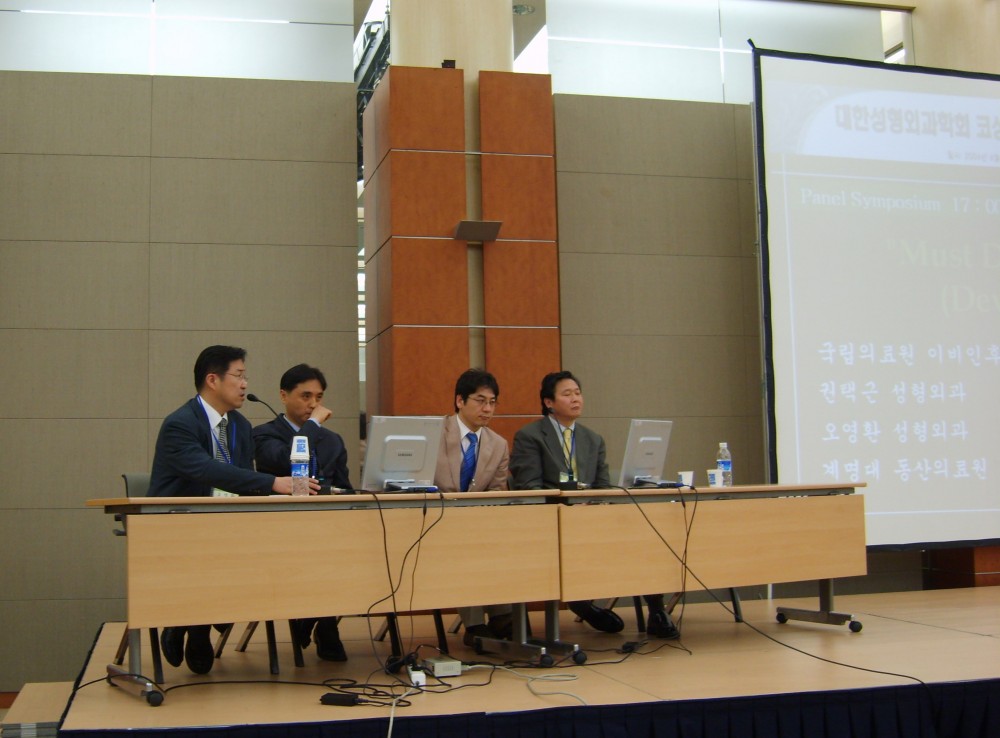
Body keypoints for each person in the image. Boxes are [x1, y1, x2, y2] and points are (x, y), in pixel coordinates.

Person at [148, 345, 318, 674]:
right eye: (238, 376)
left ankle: (193, 624)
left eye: (245, 377)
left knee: (265, 549)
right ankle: (194, 625)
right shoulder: (179, 424)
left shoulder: (239, 424)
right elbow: (206, 469)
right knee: (217, 549)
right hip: (178, 527)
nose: (244, 384)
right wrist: (273, 482)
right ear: (213, 380)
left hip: (224, 524)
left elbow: (242, 480)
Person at [510, 370, 680, 640]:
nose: (575, 399)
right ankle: (581, 604)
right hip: (551, 521)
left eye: (578, 393)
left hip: (591, 518)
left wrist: (594, 506)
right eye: (567, 394)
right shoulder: (530, 436)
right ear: (549, 402)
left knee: (643, 530)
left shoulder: (593, 439)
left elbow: (603, 486)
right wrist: (568, 508)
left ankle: (656, 611)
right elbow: (529, 487)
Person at [253, 363, 352, 661]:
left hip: (329, 530)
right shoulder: (263, 435)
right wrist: (313, 426)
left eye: (318, 398)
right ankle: (320, 622)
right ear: (284, 396)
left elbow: (346, 489)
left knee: (352, 549)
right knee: (322, 553)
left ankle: (320, 621)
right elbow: (287, 459)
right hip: (282, 530)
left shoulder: (333, 440)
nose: (313, 405)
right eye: (305, 396)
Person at [432, 369, 513, 646]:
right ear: (460, 401)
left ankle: (503, 614)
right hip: (437, 522)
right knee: (465, 544)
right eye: (480, 401)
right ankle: (475, 624)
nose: (487, 409)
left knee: (502, 541)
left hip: (479, 525)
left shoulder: (498, 445)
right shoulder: (433, 433)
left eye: (492, 402)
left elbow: (498, 493)